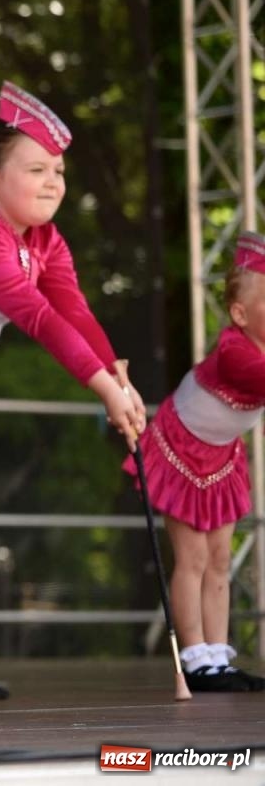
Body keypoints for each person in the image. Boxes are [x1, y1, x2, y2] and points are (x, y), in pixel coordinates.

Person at [0, 81, 146, 696]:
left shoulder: (43, 239)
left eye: (58, 172)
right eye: (36, 169)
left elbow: (72, 310)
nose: (52, 183)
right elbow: (36, 317)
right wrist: (105, 392)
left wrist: (118, 377)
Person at [124, 232, 264, 693]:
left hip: (221, 456)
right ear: (240, 314)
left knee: (220, 557)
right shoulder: (234, 350)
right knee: (194, 556)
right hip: (180, 449)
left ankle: (217, 655)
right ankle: (194, 656)